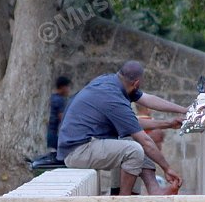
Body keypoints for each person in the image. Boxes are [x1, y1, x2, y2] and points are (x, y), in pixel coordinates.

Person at [56, 61, 186, 195]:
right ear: (136, 83)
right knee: (133, 149)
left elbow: (146, 102)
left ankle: (154, 190)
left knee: (131, 143)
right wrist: (167, 168)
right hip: (77, 151)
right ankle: (123, 199)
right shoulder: (114, 99)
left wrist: (180, 113)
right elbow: (146, 141)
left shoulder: (110, 81)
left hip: (82, 146)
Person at [47, 76, 71, 152]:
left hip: (48, 134)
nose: (68, 89)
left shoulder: (52, 97)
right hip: (53, 134)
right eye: (67, 87)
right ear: (62, 87)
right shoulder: (60, 100)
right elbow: (62, 119)